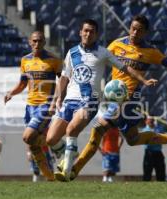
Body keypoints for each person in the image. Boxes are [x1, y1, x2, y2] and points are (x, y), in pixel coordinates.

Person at [64, 15, 167, 182]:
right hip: (112, 97)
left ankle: (73, 170)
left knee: (98, 130)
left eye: (139, 30)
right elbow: (98, 60)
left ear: (145, 32)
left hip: (130, 98)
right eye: (133, 28)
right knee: (133, 139)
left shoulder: (150, 51)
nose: (134, 32)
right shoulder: (116, 45)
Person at [46, 18, 157, 181]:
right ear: (80, 32)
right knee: (50, 139)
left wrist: (144, 80)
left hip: (90, 101)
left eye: (92, 31)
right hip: (70, 100)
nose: (88, 34)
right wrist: (57, 98)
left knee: (71, 130)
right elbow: (64, 78)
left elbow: (126, 68)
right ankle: (70, 152)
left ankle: (67, 171)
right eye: (85, 30)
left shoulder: (103, 52)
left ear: (96, 34)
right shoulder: (72, 53)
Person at [4, 31, 62, 181]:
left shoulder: (54, 60)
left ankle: (58, 144)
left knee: (27, 137)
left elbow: (63, 82)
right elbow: (23, 83)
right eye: (34, 41)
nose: (37, 44)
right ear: (30, 42)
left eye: (40, 41)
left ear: (44, 42)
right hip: (30, 106)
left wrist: (56, 100)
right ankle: (50, 177)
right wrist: (12, 93)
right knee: (32, 143)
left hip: (45, 105)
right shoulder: (25, 61)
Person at [141, 116, 166, 181]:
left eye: (152, 120)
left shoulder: (159, 129)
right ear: (146, 121)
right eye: (149, 120)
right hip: (149, 153)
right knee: (147, 173)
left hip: (158, 153)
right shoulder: (144, 130)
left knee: (161, 173)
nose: (151, 121)